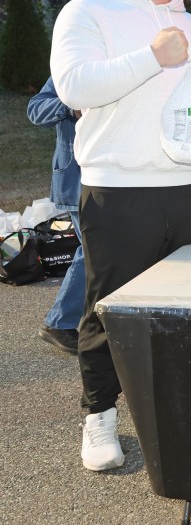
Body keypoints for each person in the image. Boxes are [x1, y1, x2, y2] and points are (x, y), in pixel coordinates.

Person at [51, 0, 191, 471]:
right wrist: (153, 55)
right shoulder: (87, 12)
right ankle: (100, 416)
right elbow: (73, 86)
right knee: (107, 312)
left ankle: (190, 411)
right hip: (119, 189)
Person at [26, 77, 84, 354]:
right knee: (94, 253)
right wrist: (71, 108)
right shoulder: (69, 67)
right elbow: (36, 109)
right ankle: (60, 322)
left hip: (121, 179)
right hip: (79, 182)